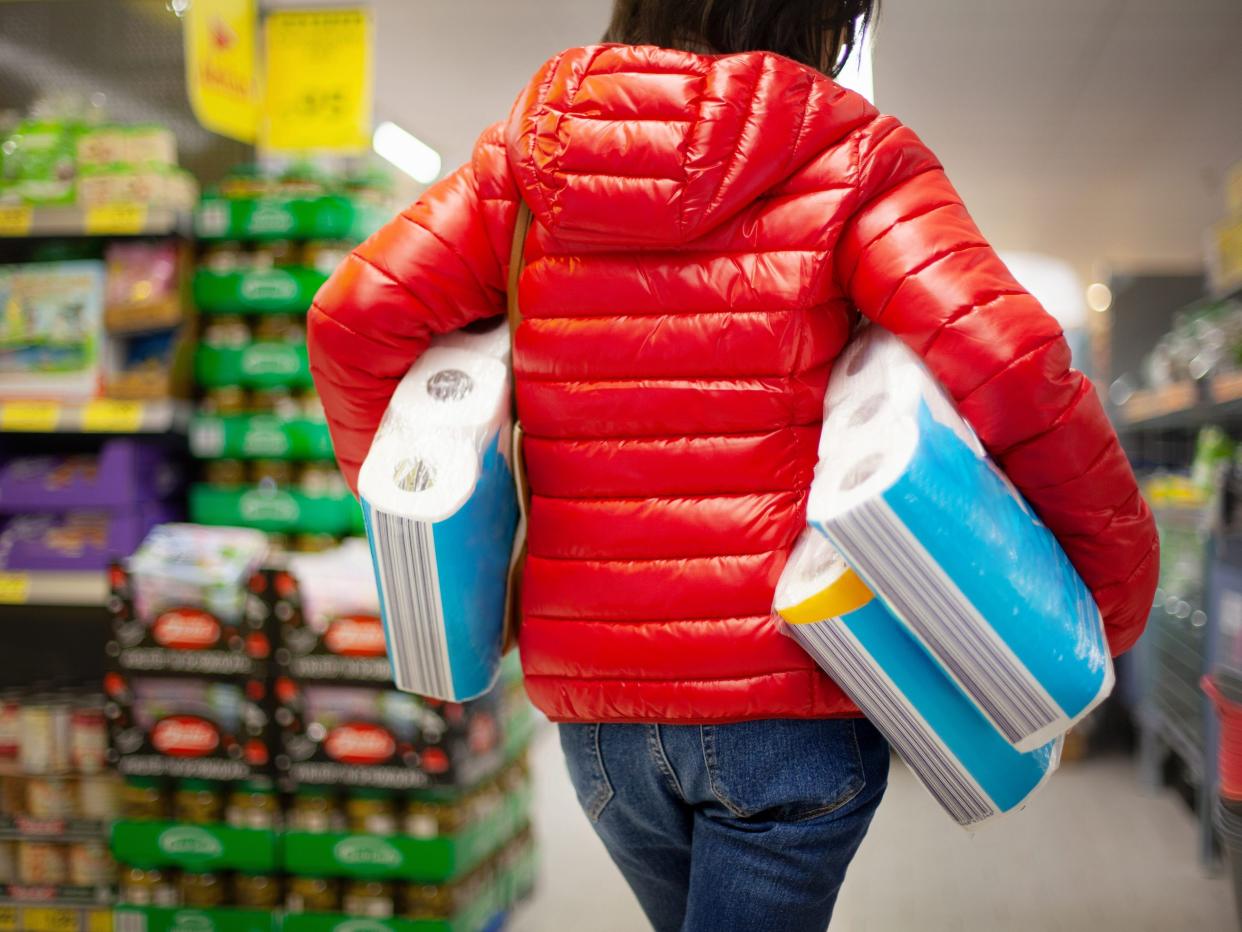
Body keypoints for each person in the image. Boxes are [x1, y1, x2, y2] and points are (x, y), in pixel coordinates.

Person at [308, 1, 1160, 928]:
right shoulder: (853, 159)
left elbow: (355, 320)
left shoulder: (524, 165)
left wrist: (429, 526)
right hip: (788, 695)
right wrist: (1105, 601)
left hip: (602, 716)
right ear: (829, 22)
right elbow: (1009, 359)